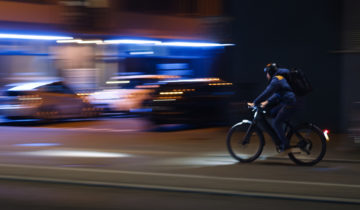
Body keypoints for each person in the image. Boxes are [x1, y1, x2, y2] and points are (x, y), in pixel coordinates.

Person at [248, 63, 297, 152]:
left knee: (276, 123)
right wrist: (267, 102)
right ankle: (280, 137)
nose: (266, 75)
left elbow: (266, 92)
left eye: (267, 73)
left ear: (270, 72)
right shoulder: (280, 78)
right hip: (287, 101)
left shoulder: (276, 80)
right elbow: (278, 94)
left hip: (289, 103)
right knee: (273, 112)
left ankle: (286, 146)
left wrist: (255, 102)